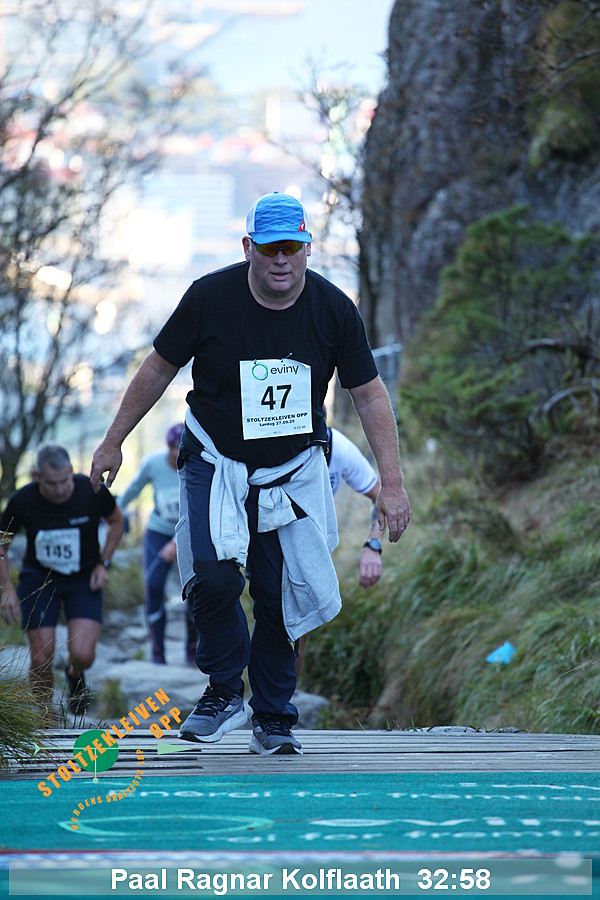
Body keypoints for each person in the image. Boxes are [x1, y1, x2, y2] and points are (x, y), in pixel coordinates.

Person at [90, 190, 410, 755]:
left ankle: (273, 717)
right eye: (269, 249)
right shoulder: (209, 297)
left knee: (279, 594)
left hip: (292, 469)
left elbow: (369, 394)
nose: (281, 260)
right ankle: (222, 692)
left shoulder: (335, 309)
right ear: (248, 248)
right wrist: (113, 440)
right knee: (213, 577)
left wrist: (393, 482)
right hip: (215, 460)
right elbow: (157, 368)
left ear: (308, 248)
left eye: (291, 248)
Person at [0, 443, 124, 718]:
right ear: (37, 476)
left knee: (83, 655)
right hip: (39, 580)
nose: (59, 489)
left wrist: (104, 563)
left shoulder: (91, 490)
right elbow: (2, 541)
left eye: (64, 481)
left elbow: (117, 522)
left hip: (83, 579)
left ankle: (74, 674)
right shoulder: (22, 500)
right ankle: (45, 716)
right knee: (41, 656)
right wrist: (7, 587)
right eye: (51, 483)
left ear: (72, 471)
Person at [118, 423, 197, 665]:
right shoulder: (153, 464)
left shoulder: (197, 465)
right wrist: (112, 513)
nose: (176, 452)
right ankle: (158, 652)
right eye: (173, 447)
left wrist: (177, 542)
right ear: (167, 446)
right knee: (153, 585)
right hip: (158, 531)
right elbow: (133, 490)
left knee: (195, 590)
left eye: (181, 446)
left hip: (189, 534)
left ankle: (192, 648)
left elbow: (198, 508)